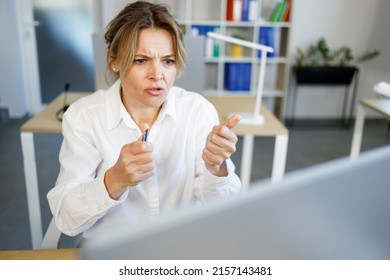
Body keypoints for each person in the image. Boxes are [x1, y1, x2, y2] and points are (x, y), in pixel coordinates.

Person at [47, 1, 242, 241]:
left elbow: (226, 210)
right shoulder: (84, 117)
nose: (157, 75)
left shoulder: (197, 111)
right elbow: (67, 219)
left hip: (182, 248)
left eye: (168, 61)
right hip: (115, 252)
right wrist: (114, 180)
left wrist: (217, 168)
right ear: (114, 60)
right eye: (141, 60)